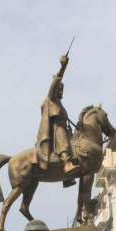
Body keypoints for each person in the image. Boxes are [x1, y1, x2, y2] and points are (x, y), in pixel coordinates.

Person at [35, 54, 78, 186]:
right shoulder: (51, 98)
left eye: (62, 89)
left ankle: (67, 178)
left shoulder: (59, 103)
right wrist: (63, 67)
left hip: (65, 127)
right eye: (60, 89)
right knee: (62, 135)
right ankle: (66, 163)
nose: (61, 91)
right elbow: (56, 81)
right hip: (56, 129)